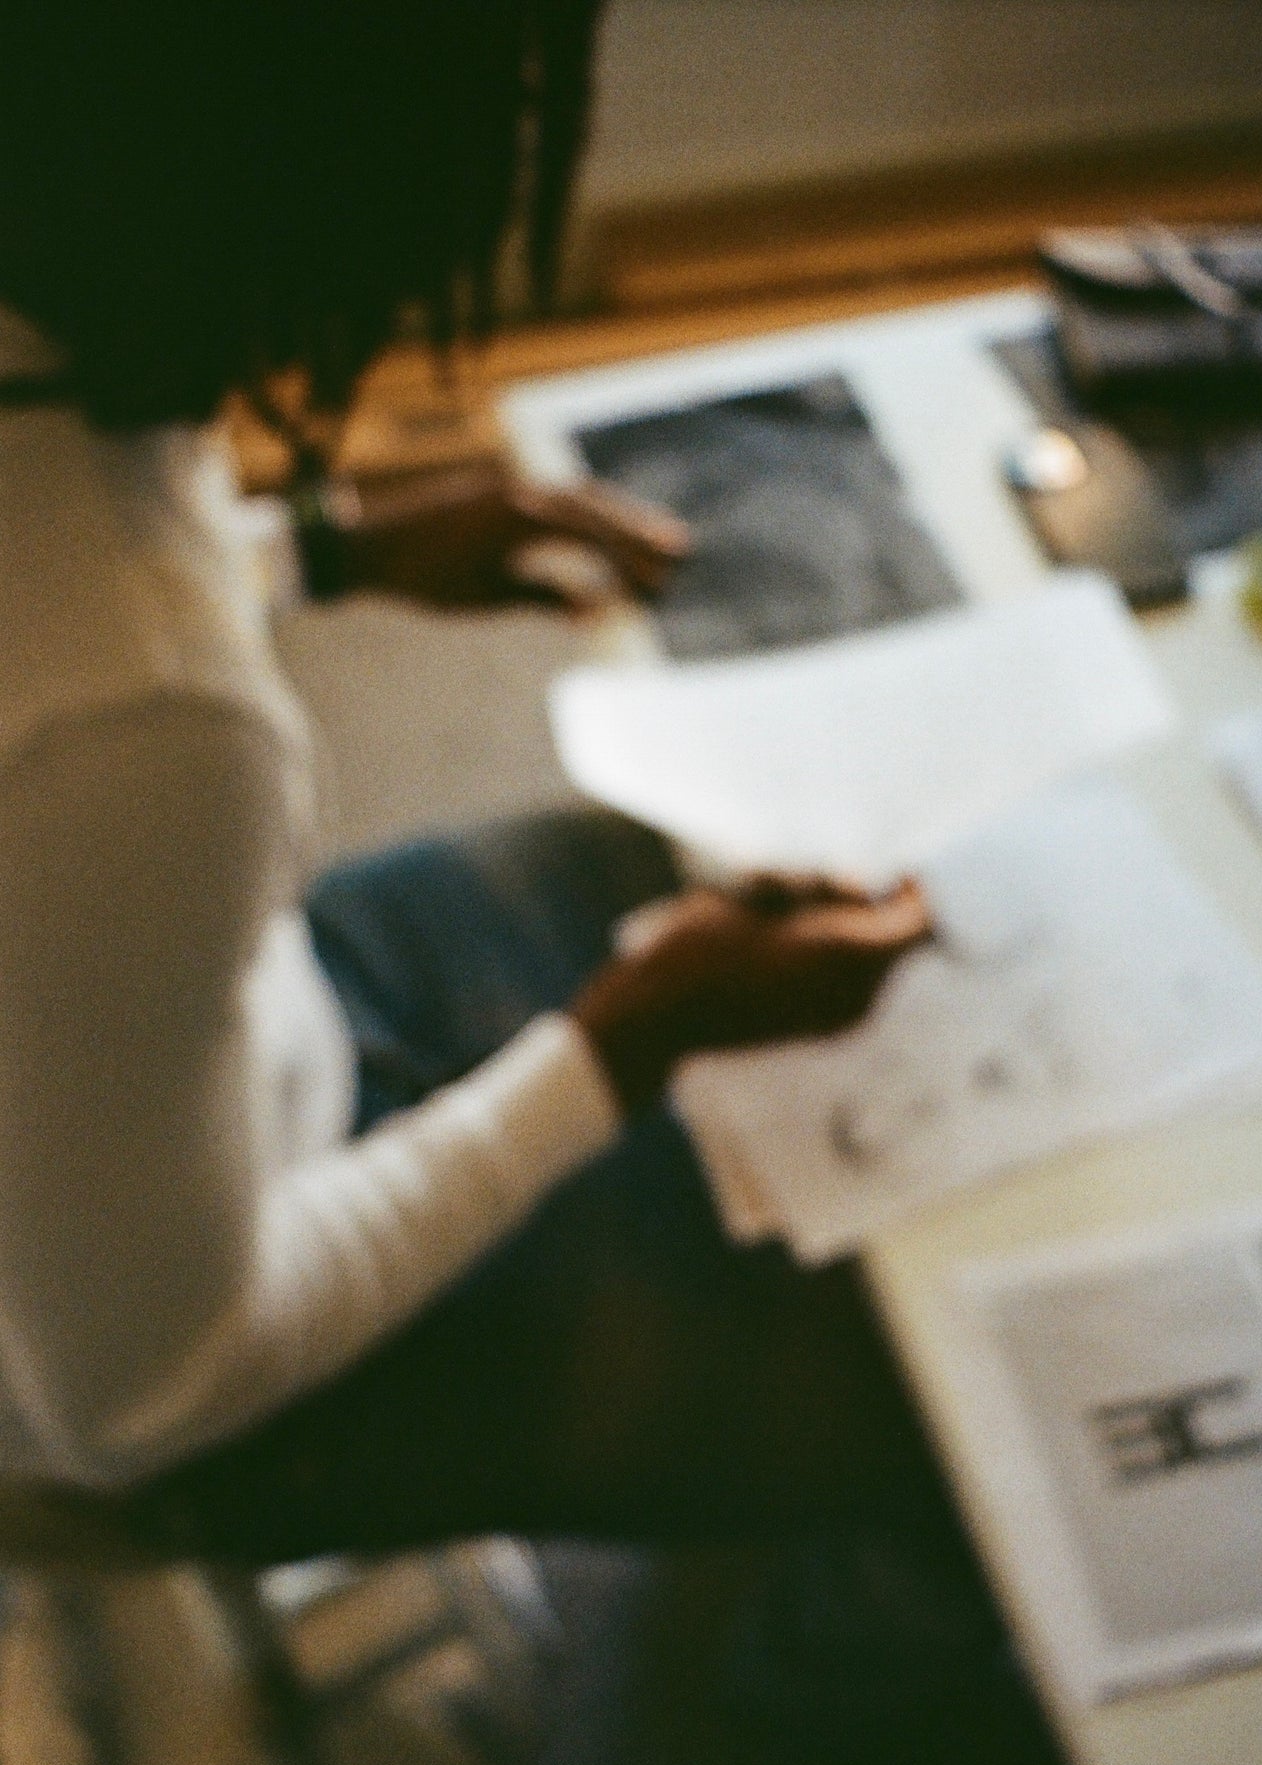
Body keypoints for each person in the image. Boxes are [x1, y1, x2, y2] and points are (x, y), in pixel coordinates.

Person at [0, 1, 960, 1587]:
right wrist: (620, 1041)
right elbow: (147, 1396)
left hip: (174, 1041)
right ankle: (848, 1654)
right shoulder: (147, 733)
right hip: (172, 1350)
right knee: (900, 1398)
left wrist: (324, 547)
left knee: (633, 864)